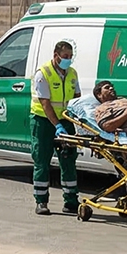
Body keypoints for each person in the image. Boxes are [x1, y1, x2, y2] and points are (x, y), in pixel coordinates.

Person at [30, 39, 81, 215]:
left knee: (68, 160)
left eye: (70, 57)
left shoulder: (72, 73)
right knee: (42, 161)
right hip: (43, 121)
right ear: (56, 55)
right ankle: (41, 202)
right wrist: (58, 125)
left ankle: (71, 201)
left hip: (66, 121)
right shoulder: (43, 73)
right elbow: (45, 104)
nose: (68, 60)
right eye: (65, 56)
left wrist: (75, 122)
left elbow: (76, 98)